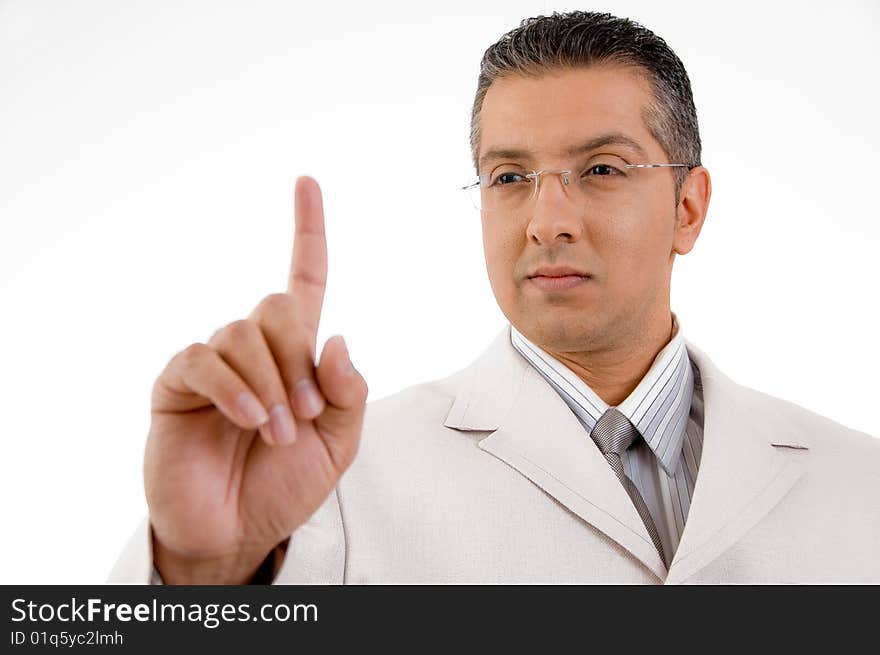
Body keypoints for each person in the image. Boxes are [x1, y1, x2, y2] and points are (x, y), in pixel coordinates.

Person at [110, 11, 880, 585]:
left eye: (603, 169)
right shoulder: (332, 486)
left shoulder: (859, 485)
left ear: (689, 207)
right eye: (510, 178)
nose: (547, 222)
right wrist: (197, 570)